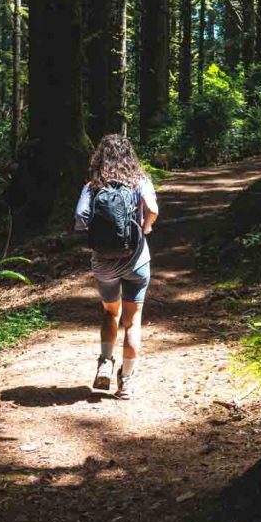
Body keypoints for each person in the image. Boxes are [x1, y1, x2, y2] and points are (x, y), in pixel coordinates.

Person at [74, 134, 159, 398]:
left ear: (100, 157)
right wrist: (145, 228)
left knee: (110, 314)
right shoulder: (140, 181)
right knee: (132, 323)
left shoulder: (92, 186)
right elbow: (153, 209)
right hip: (136, 261)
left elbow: (80, 216)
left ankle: (104, 364)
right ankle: (127, 382)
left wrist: (96, 235)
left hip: (104, 264)